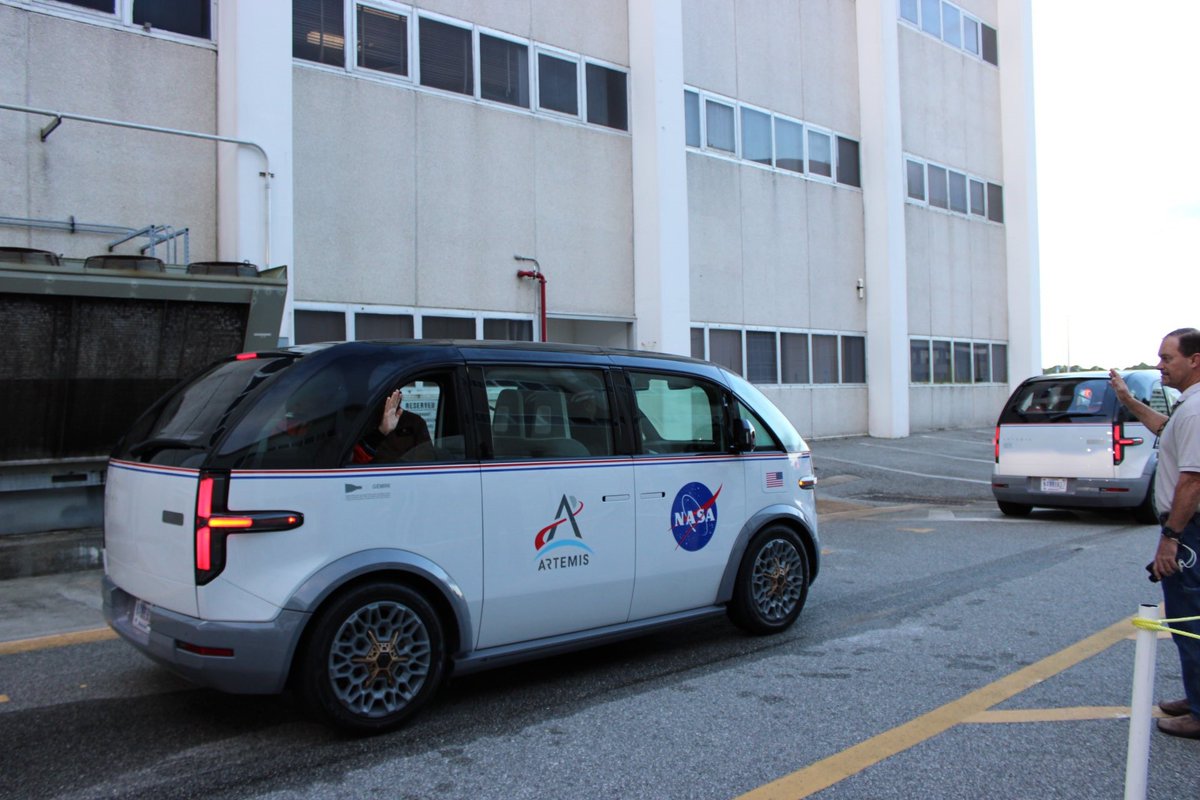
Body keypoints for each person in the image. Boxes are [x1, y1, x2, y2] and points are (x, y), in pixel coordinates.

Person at [1110, 327, 1200, 739]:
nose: (1160, 365)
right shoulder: (1189, 407)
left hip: (1190, 531)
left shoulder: (1198, 410)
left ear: (1194, 360)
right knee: (1187, 615)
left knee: (1188, 618)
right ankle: (1197, 694)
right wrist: (1129, 401)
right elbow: (1167, 429)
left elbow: (1192, 482)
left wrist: (1171, 536)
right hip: (1189, 530)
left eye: (1167, 358)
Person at [351, 386, 431, 464]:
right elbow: (353, 461)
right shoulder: (361, 422)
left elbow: (427, 462)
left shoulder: (415, 422)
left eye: (396, 392)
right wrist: (381, 432)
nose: (394, 396)